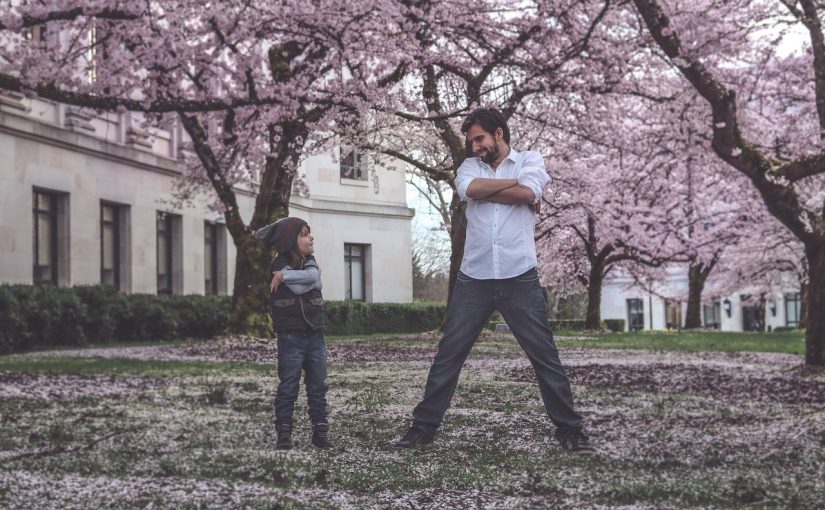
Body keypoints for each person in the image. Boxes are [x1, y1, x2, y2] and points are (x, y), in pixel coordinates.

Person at [395, 108, 593, 454]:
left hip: (520, 276)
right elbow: (471, 188)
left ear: (498, 133)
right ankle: (423, 427)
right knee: (449, 355)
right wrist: (514, 188)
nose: (474, 146)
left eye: (479, 138)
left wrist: (509, 191)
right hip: (475, 277)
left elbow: (529, 194)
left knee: (544, 355)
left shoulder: (530, 159)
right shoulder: (469, 167)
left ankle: (570, 430)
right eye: (471, 140)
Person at [255, 217, 331, 449]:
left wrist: (288, 277)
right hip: (290, 337)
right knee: (288, 386)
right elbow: (304, 284)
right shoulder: (280, 262)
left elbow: (311, 278)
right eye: (305, 234)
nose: (311, 238)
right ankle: (284, 434)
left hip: (315, 335)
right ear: (291, 240)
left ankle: (320, 432)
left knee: (318, 385)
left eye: (310, 233)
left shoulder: (309, 260)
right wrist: (308, 279)